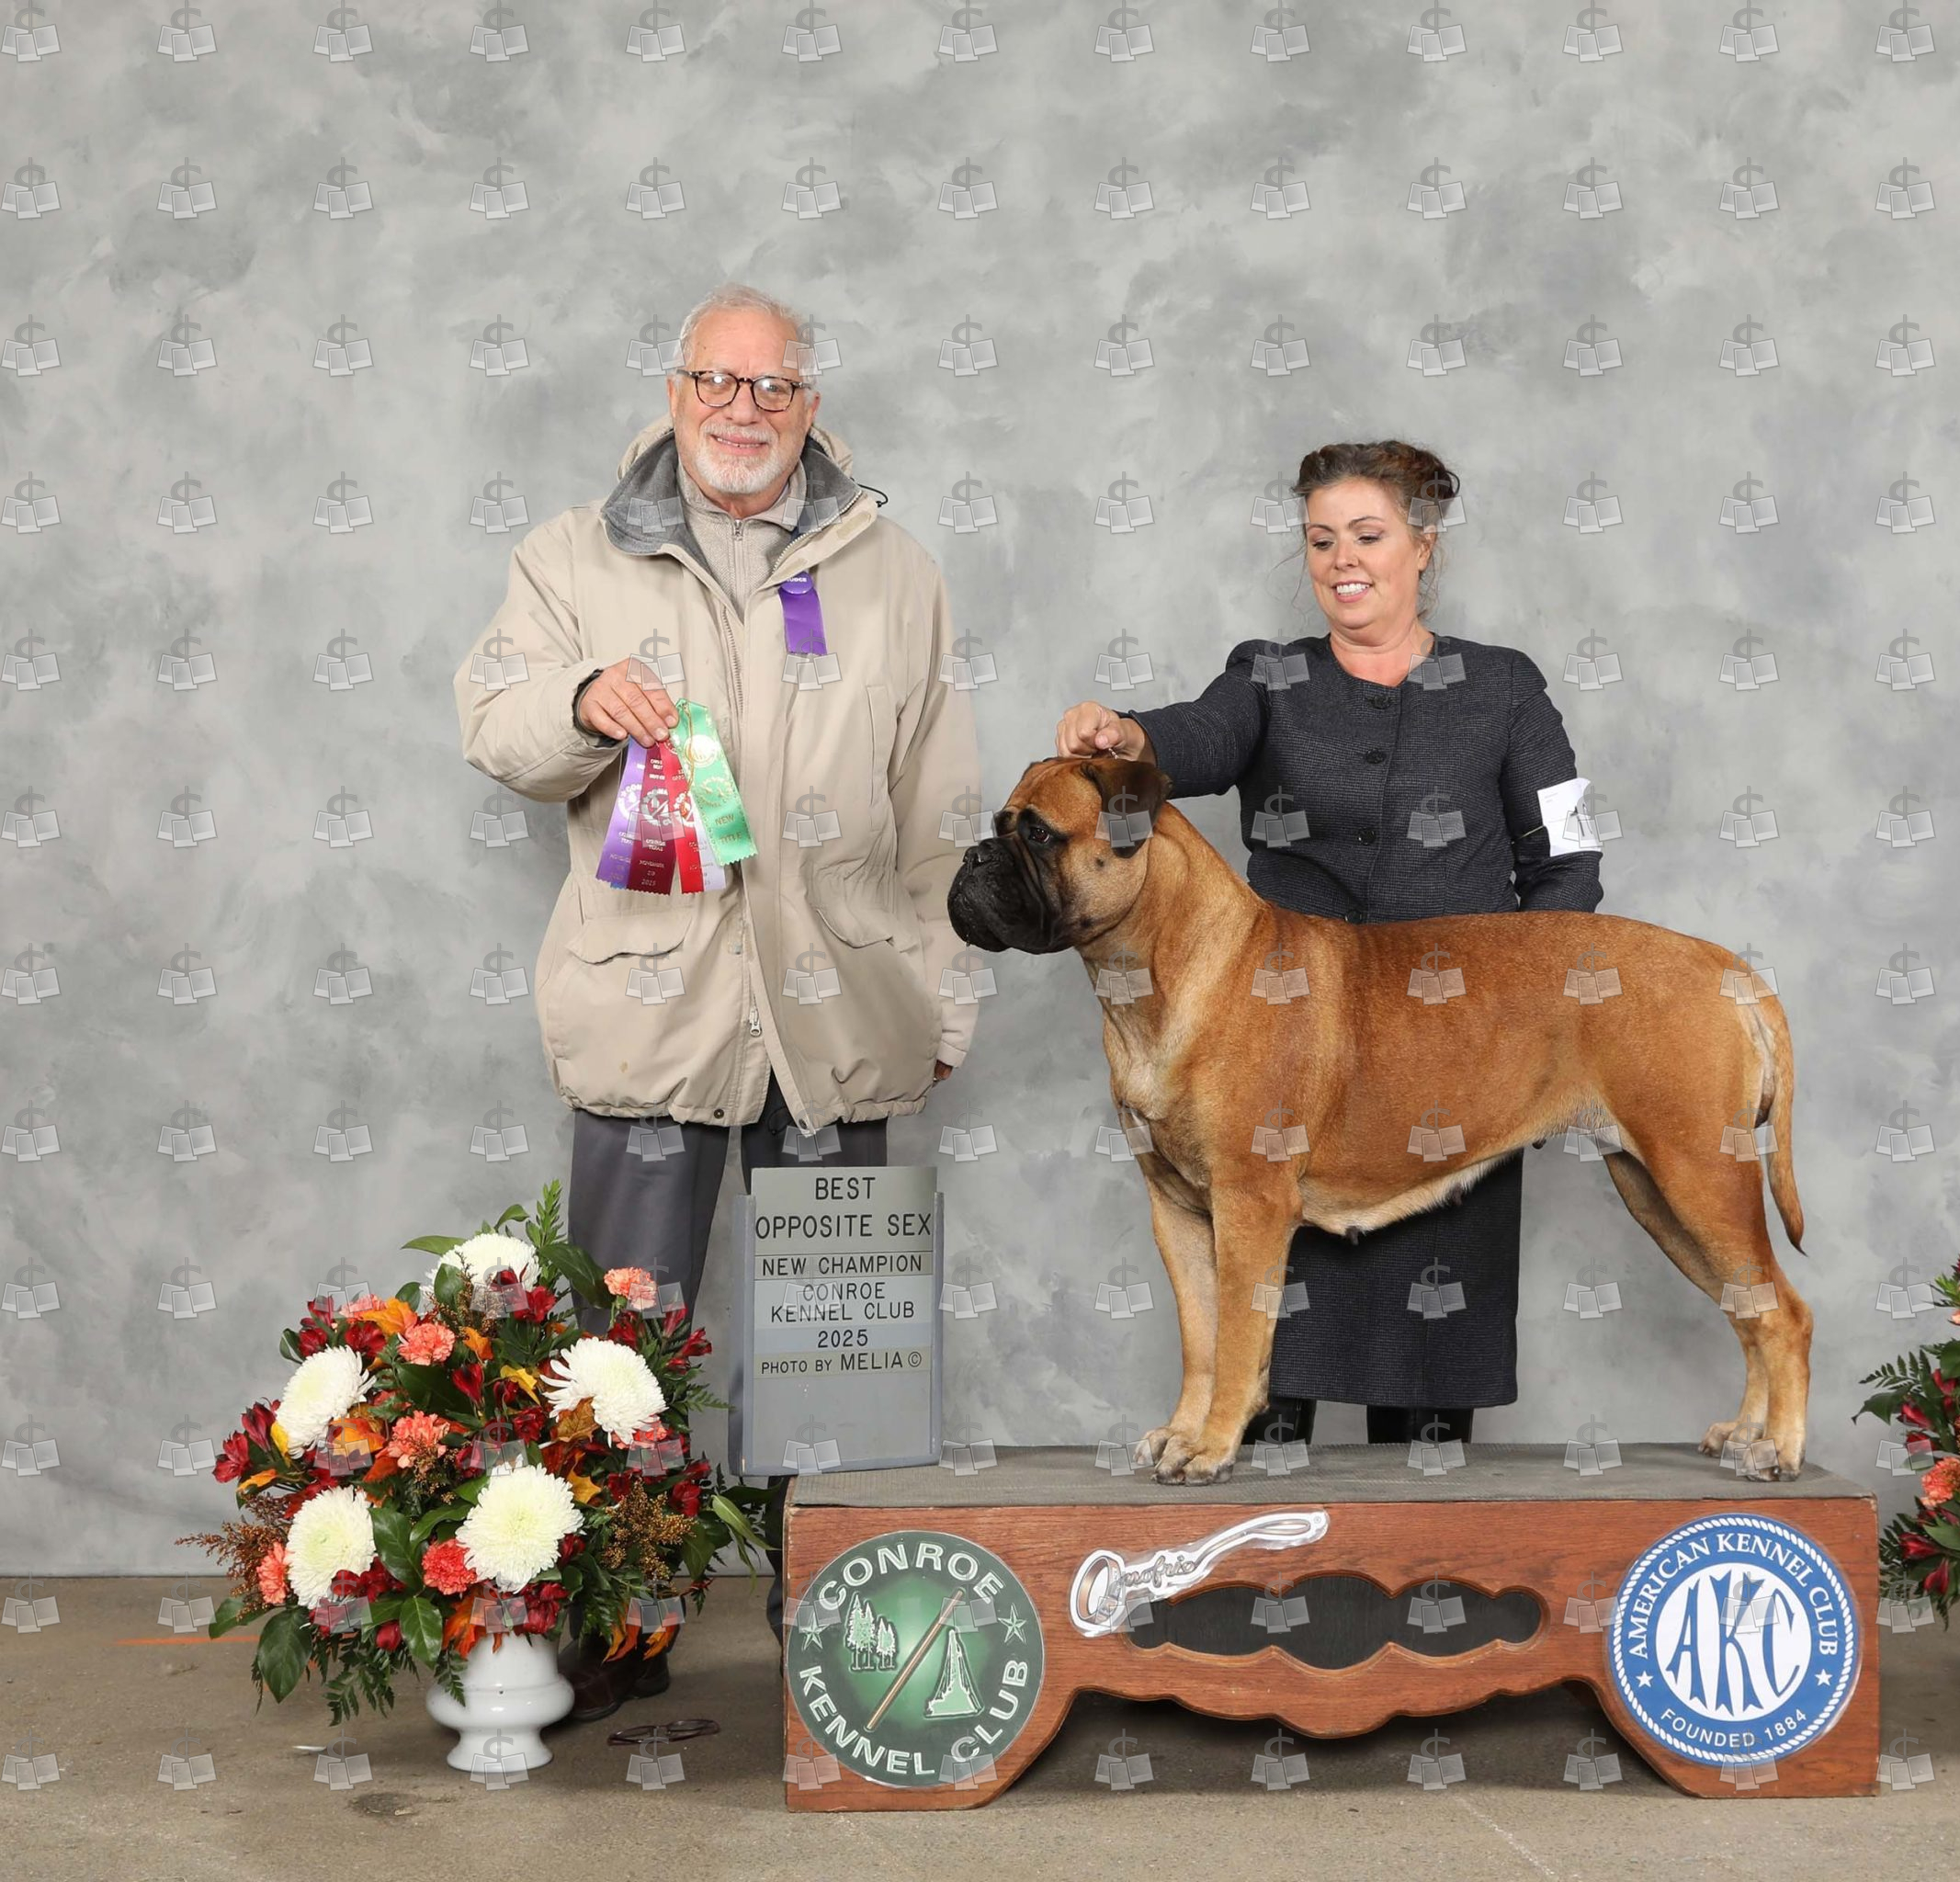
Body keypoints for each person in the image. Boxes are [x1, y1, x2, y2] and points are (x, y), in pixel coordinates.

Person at [451, 282, 979, 1718]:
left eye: (773, 386)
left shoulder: (895, 570)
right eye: (717, 382)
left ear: (811, 405)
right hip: (650, 1013)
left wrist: (945, 1002)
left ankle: (841, 1620)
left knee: (834, 1345)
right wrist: (579, 699)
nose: (743, 410)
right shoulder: (569, 556)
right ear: (675, 392)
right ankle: (622, 1624)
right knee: (621, 1353)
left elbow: (938, 806)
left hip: (841, 1013)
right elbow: (493, 722)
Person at [1054, 440, 1603, 1462]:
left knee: (1426, 1447)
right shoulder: (1266, 676)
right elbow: (1199, 737)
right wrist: (1128, 737)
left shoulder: (1507, 687)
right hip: (1283, 1066)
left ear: (1423, 547)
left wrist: (1533, 1037)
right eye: (1319, 539)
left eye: (1366, 534)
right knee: (1270, 1439)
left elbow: (1568, 861)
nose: (1341, 559)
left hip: (1455, 1075)